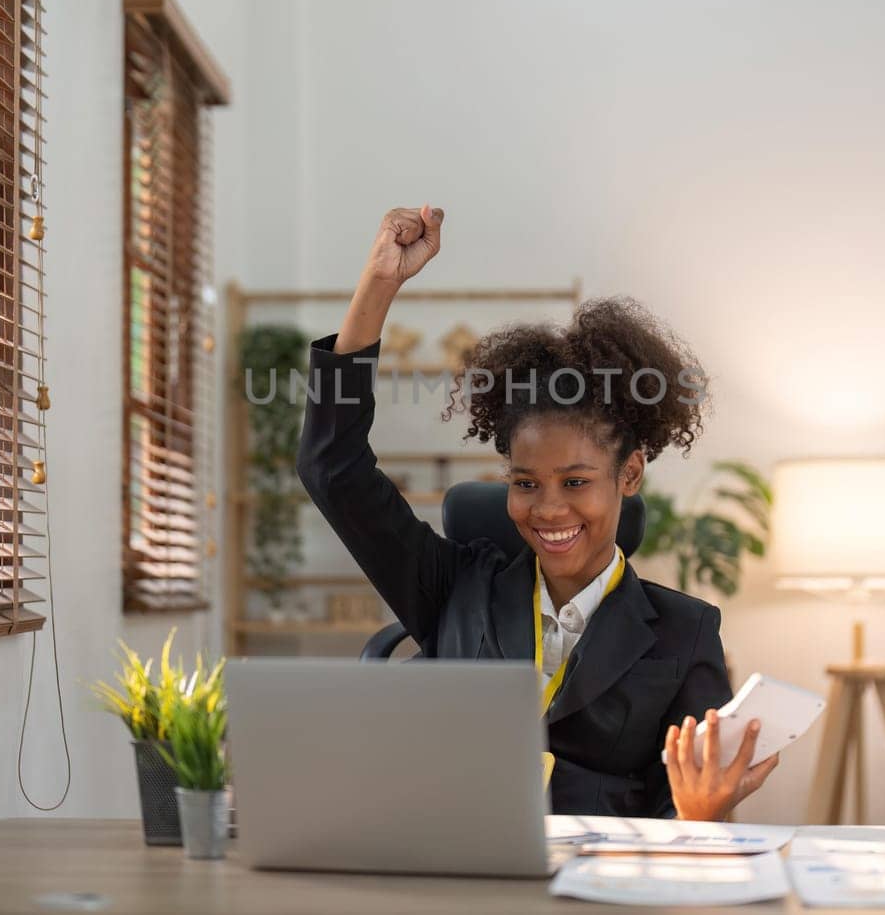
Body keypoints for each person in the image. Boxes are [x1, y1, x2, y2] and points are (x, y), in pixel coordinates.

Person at [295, 205, 779, 819]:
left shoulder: (684, 632)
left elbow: (682, 818)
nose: (548, 508)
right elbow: (330, 468)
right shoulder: (453, 588)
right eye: (525, 483)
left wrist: (701, 811)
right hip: (458, 867)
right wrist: (378, 286)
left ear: (628, 475)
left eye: (575, 481)